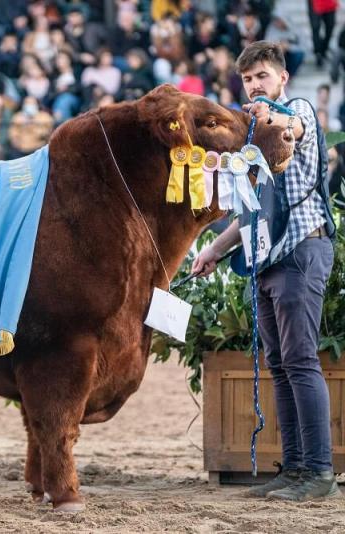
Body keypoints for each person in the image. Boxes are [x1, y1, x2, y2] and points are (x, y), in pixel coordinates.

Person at [192, 41, 340, 502]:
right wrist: (213, 249)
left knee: (300, 362)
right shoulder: (252, 139)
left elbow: (293, 126)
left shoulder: (296, 110)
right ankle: (294, 469)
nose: (255, 85)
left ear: (282, 78)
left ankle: (319, 472)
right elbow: (251, 211)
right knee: (279, 365)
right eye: (248, 79)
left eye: (262, 76)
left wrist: (270, 117)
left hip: (303, 249)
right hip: (269, 260)